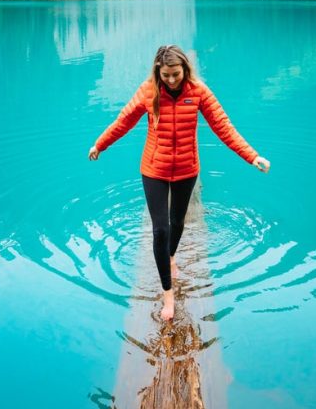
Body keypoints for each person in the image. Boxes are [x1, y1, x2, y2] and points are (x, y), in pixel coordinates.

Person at [88, 44, 270, 321]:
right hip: (154, 169)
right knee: (160, 230)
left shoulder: (198, 91)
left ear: (185, 69)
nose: (171, 80)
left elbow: (224, 127)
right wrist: (100, 145)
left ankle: (170, 257)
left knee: (178, 223)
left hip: (186, 169)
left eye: (176, 74)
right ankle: (168, 295)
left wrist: (252, 156)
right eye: (166, 75)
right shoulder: (149, 91)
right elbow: (123, 121)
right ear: (158, 72)